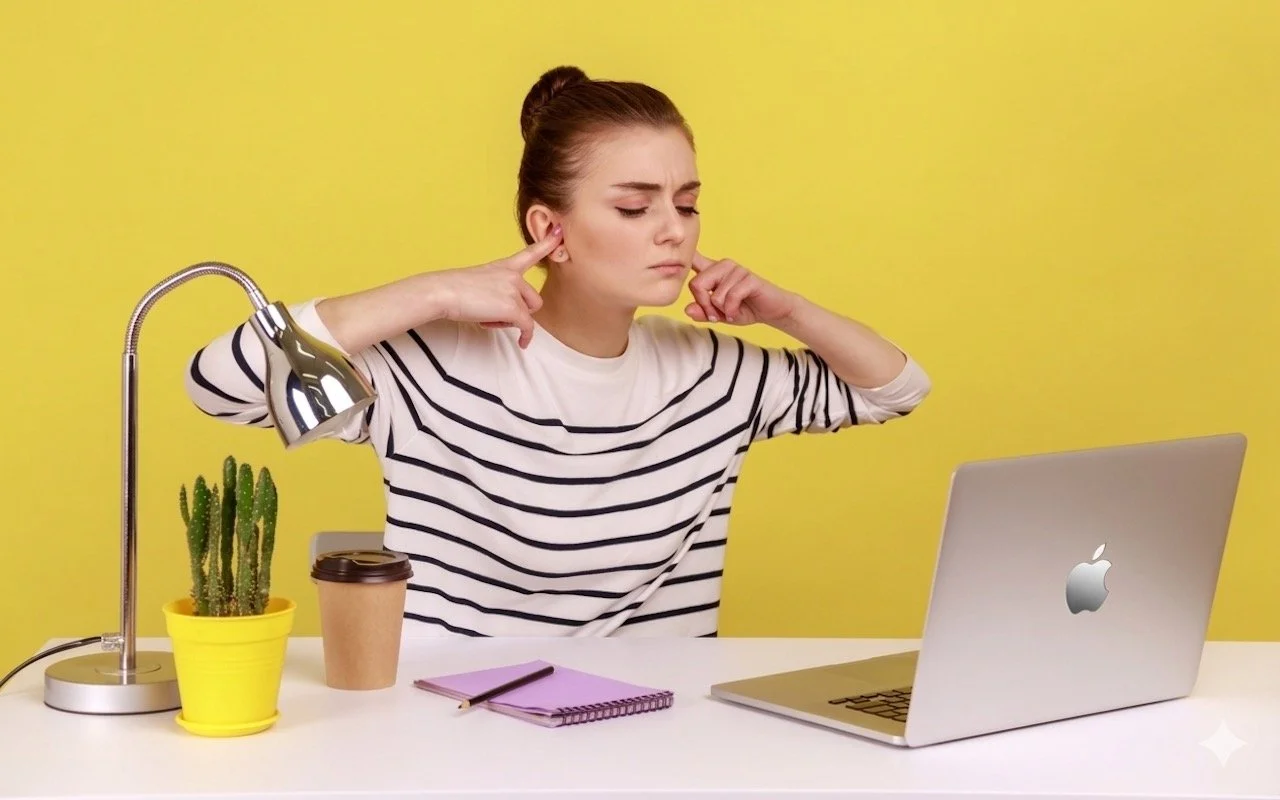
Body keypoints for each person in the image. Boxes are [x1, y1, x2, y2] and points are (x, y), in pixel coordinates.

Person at [183, 65, 932, 638]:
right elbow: (222, 387)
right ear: (551, 231)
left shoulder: (717, 376)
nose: (674, 229)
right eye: (635, 207)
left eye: (687, 203)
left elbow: (894, 390)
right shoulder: (432, 369)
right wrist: (432, 294)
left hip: (659, 741)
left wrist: (788, 310)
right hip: (455, 737)